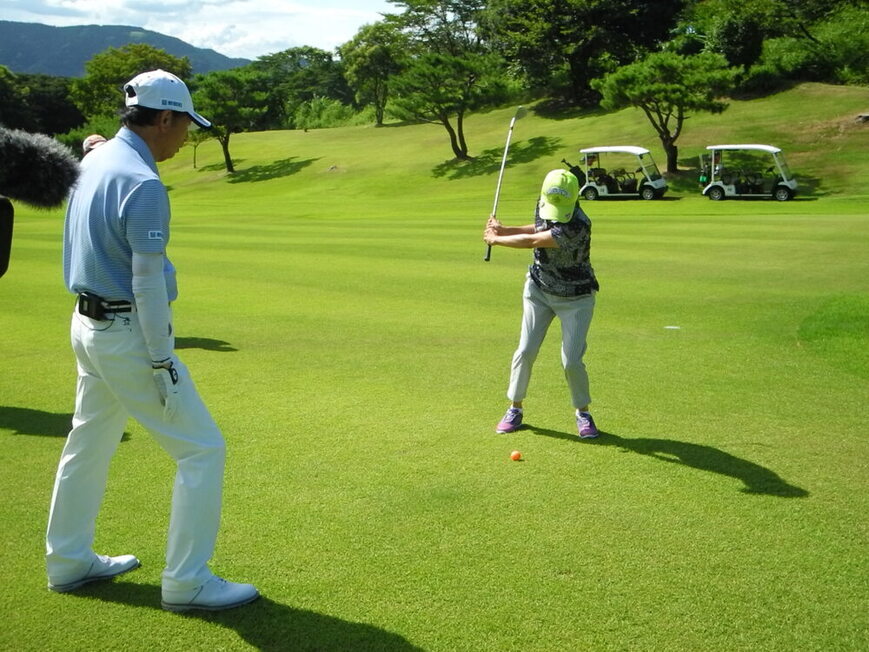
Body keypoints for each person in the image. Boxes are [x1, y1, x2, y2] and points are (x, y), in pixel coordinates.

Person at [46, 69, 259, 612]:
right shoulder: (142, 184)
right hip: (125, 334)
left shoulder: (95, 159)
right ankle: (187, 582)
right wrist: (162, 358)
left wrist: (96, 145)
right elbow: (145, 280)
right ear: (164, 118)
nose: (187, 136)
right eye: (184, 124)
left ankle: (68, 561)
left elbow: (94, 148)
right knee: (202, 449)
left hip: (86, 326)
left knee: (88, 441)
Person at [483, 168, 600, 439]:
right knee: (525, 350)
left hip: (576, 297)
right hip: (539, 290)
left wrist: (496, 239)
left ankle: (583, 413)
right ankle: (515, 408)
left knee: (571, 360)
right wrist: (505, 228)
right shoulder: (545, 203)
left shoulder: (578, 225)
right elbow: (537, 228)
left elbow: (535, 240)